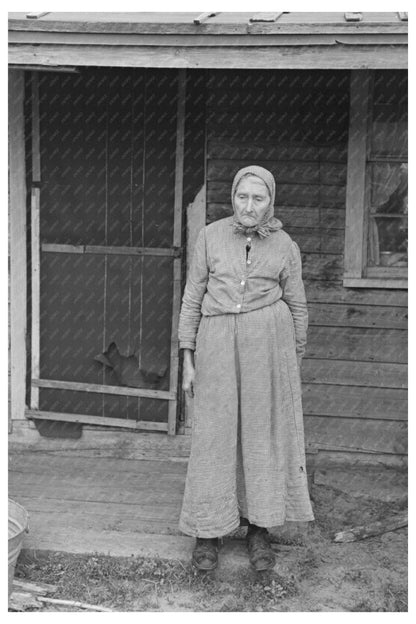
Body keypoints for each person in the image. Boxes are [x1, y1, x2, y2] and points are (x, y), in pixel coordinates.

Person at [178, 165, 314, 572]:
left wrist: (293, 358)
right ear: (232, 198)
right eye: (242, 197)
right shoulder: (210, 236)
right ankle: (208, 532)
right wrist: (188, 360)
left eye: (258, 198)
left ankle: (259, 532)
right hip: (216, 347)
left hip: (267, 351)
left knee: (261, 437)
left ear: (270, 201)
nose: (249, 206)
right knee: (214, 437)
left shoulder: (285, 245)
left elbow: (298, 304)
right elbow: (191, 298)